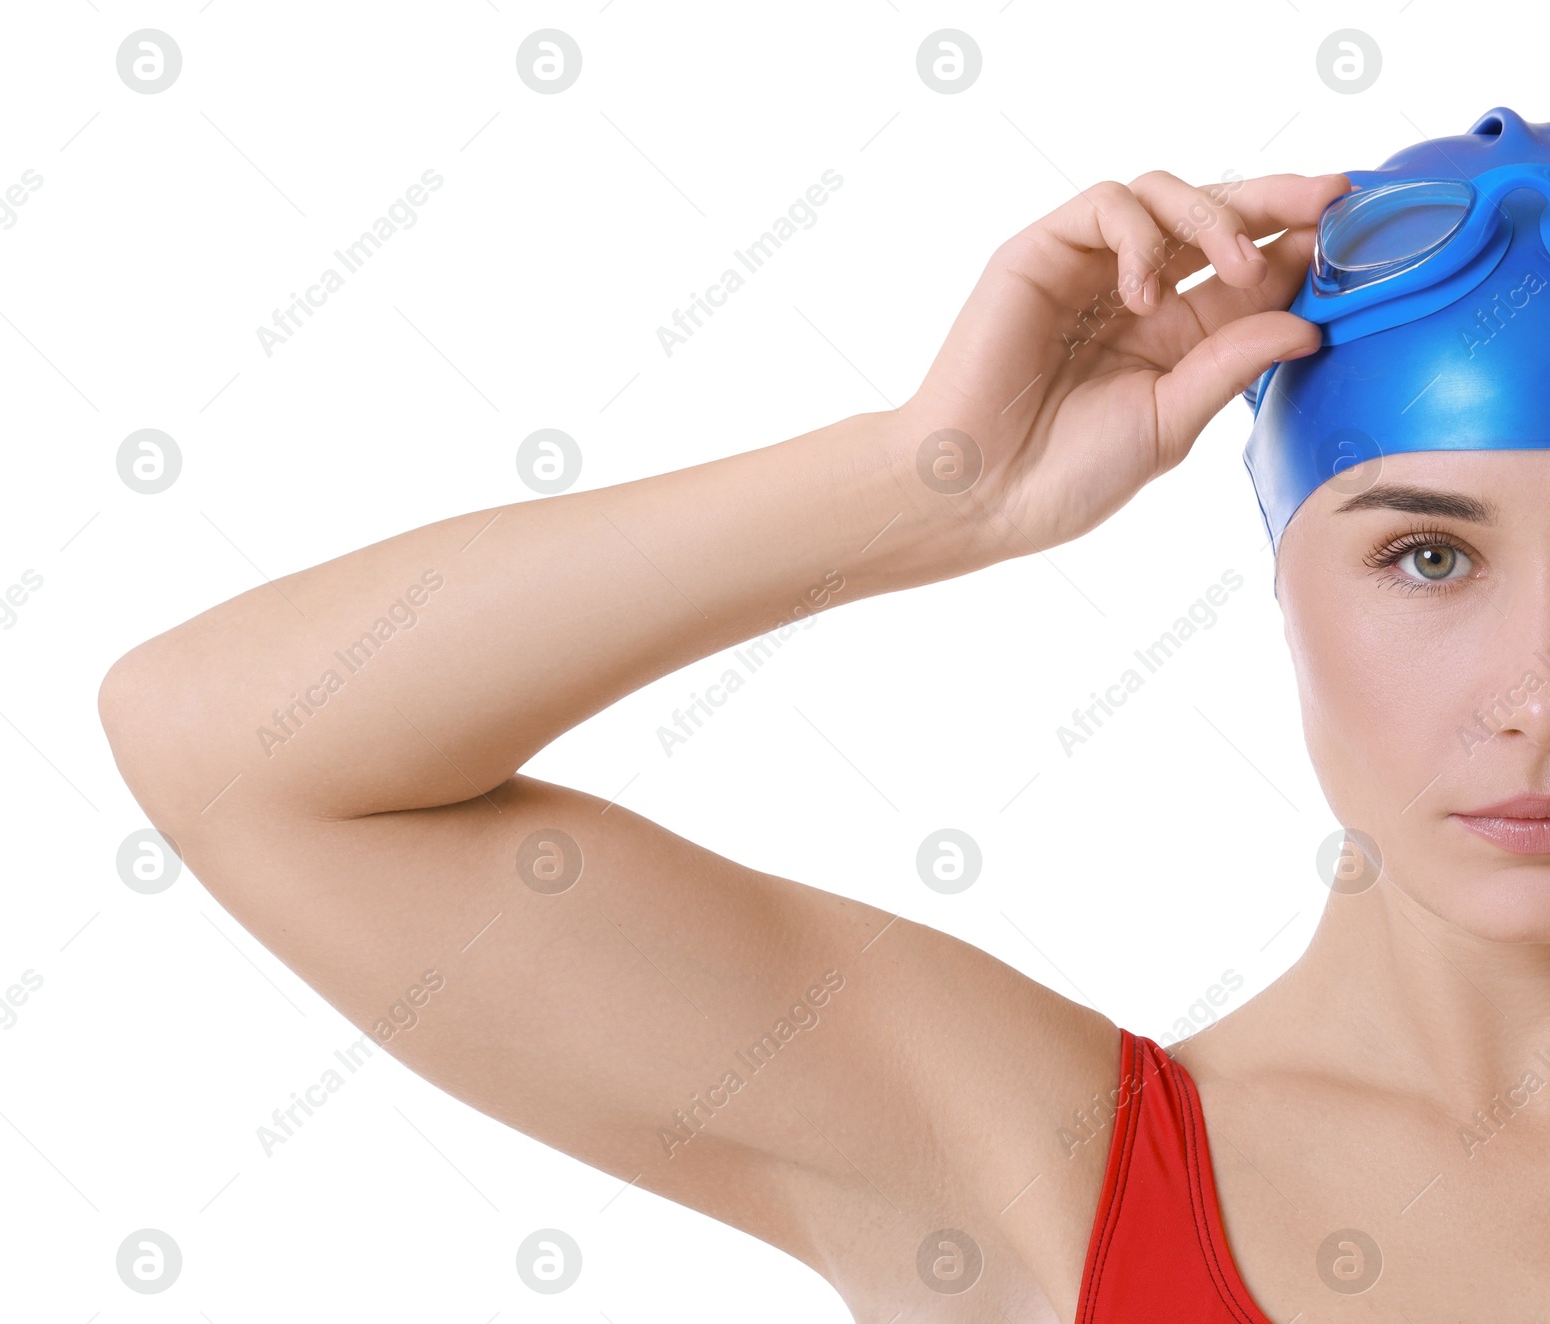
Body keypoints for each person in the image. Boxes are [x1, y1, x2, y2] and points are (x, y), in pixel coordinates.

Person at [97, 105, 1550, 1321]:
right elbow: (234, 757)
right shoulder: (1040, 1174)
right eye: (1427, 556)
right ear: (1286, 577)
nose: (1533, 701)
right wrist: (927, 485)